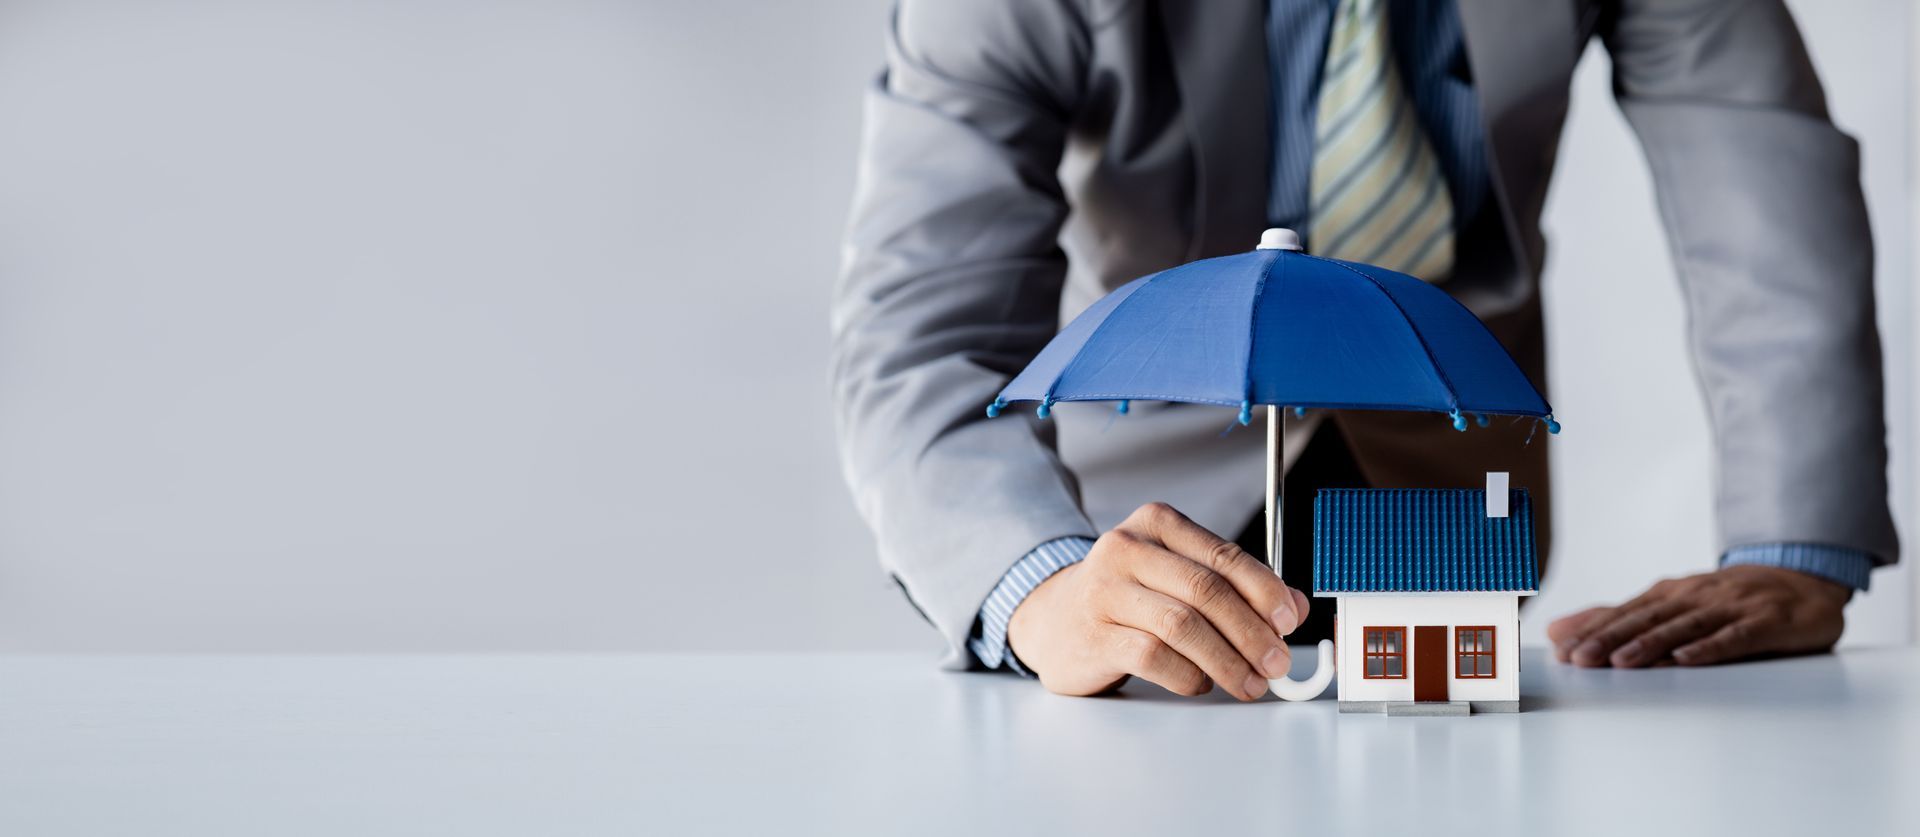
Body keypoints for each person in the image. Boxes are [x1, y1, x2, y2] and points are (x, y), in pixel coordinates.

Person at [830, 0, 1897, 699]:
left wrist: (1792, 545)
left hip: (1449, 465)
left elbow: (1765, 192)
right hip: (1137, 525)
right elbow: (926, 324)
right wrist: (1035, 583)